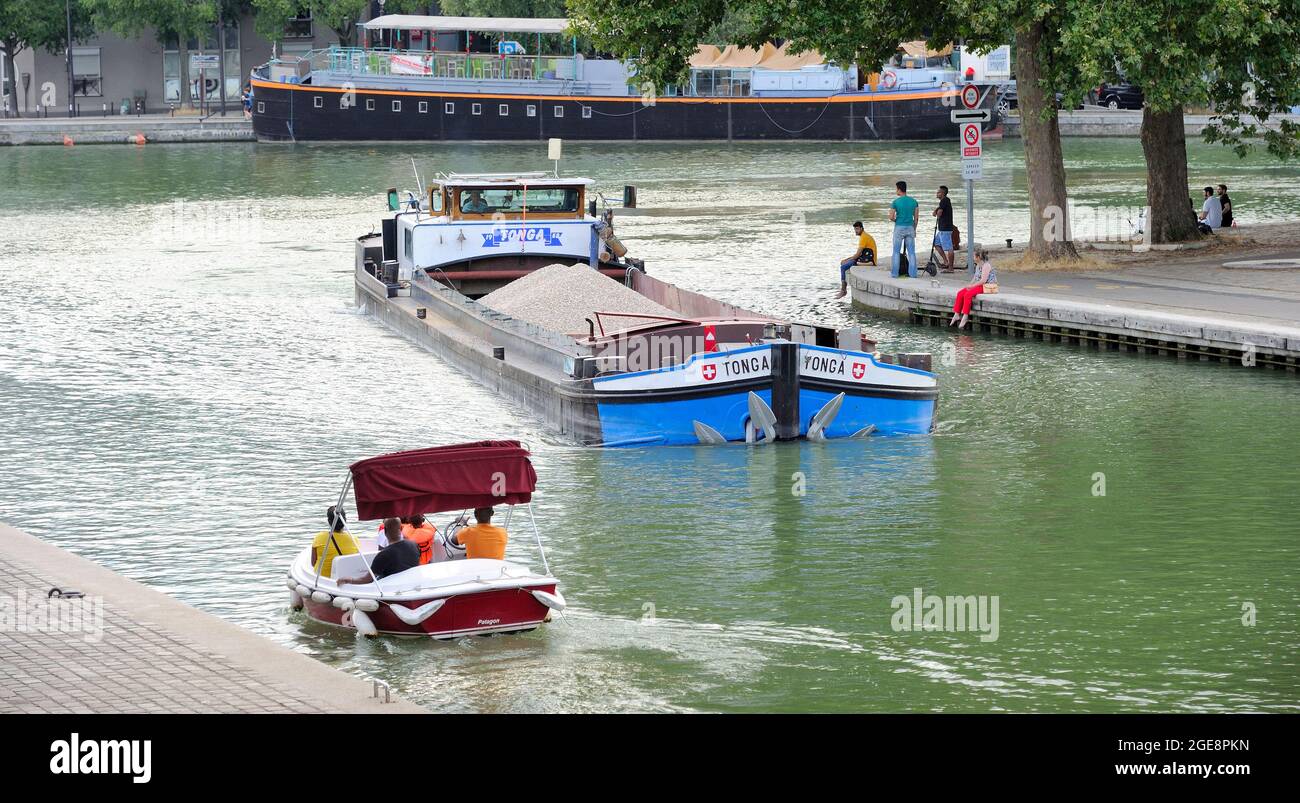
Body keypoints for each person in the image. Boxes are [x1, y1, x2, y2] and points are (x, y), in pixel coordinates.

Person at [337, 518, 419, 585]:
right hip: (410, 584)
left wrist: (349, 580)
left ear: (385, 532)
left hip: (392, 588)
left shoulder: (384, 554)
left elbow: (367, 580)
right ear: (401, 529)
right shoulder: (414, 545)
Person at [949, 248, 996, 329]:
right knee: (960, 293)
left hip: (989, 286)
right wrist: (969, 285)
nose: (973, 258)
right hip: (980, 285)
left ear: (978, 257)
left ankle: (965, 316)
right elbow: (975, 277)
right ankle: (957, 314)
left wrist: (972, 287)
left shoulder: (986, 265)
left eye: (974, 256)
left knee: (968, 295)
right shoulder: (978, 265)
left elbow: (983, 281)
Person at [310, 506, 359, 578]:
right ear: (344, 521)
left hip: (323, 579)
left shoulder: (319, 538)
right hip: (343, 578)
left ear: (329, 521)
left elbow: (313, 563)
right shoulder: (354, 539)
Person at [837, 221, 877, 298]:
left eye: (857, 229)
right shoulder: (864, 236)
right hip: (865, 258)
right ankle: (843, 290)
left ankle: (843, 290)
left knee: (843, 266)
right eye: (855, 229)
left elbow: (857, 254)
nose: (856, 231)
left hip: (869, 261)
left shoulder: (864, 237)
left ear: (862, 228)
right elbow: (858, 254)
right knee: (845, 263)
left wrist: (847, 260)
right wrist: (847, 259)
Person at [889, 181, 919, 279]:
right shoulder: (914, 201)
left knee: (896, 251)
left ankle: (895, 274)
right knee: (911, 252)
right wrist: (914, 229)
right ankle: (913, 274)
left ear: (899, 189)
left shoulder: (895, 202)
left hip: (899, 227)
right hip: (910, 227)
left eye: (896, 189)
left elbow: (891, 217)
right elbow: (916, 218)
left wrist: (897, 220)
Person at [932, 186, 956, 272]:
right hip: (942, 229)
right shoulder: (943, 202)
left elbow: (939, 212)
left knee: (949, 248)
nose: (937, 193)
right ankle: (946, 262)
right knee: (936, 243)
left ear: (942, 193)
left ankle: (951, 268)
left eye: (938, 192)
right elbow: (936, 211)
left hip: (945, 228)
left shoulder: (945, 200)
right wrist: (936, 211)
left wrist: (937, 213)